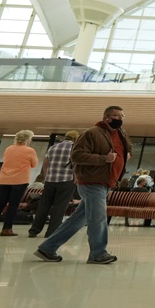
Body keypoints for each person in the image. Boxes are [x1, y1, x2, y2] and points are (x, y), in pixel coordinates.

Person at [34, 105, 129, 264]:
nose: (119, 119)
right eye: (116, 116)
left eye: (122, 116)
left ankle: (47, 248)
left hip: (106, 183)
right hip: (91, 182)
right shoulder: (91, 133)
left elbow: (126, 150)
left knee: (78, 219)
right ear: (106, 117)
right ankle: (98, 254)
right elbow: (76, 156)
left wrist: (126, 155)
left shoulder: (122, 134)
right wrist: (103, 159)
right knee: (98, 218)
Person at [0, 130, 37, 237]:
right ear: (27, 139)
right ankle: (7, 229)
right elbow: (34, 164)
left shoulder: (8, 148)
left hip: (3, 180)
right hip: (19, 180)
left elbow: (6, 160)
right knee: (13, 205)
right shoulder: (30, 150)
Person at [29, 130, 79, 239]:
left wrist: (47, 176)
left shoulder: (53, 148)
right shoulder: (74, 149)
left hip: (50, 181)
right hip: (66, 181)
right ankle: (51, 232)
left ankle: (34, 230)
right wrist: (76, 178)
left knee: (44, 205)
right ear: (75, 139)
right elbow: (75, 165)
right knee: (59, 207)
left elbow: (45, 164)